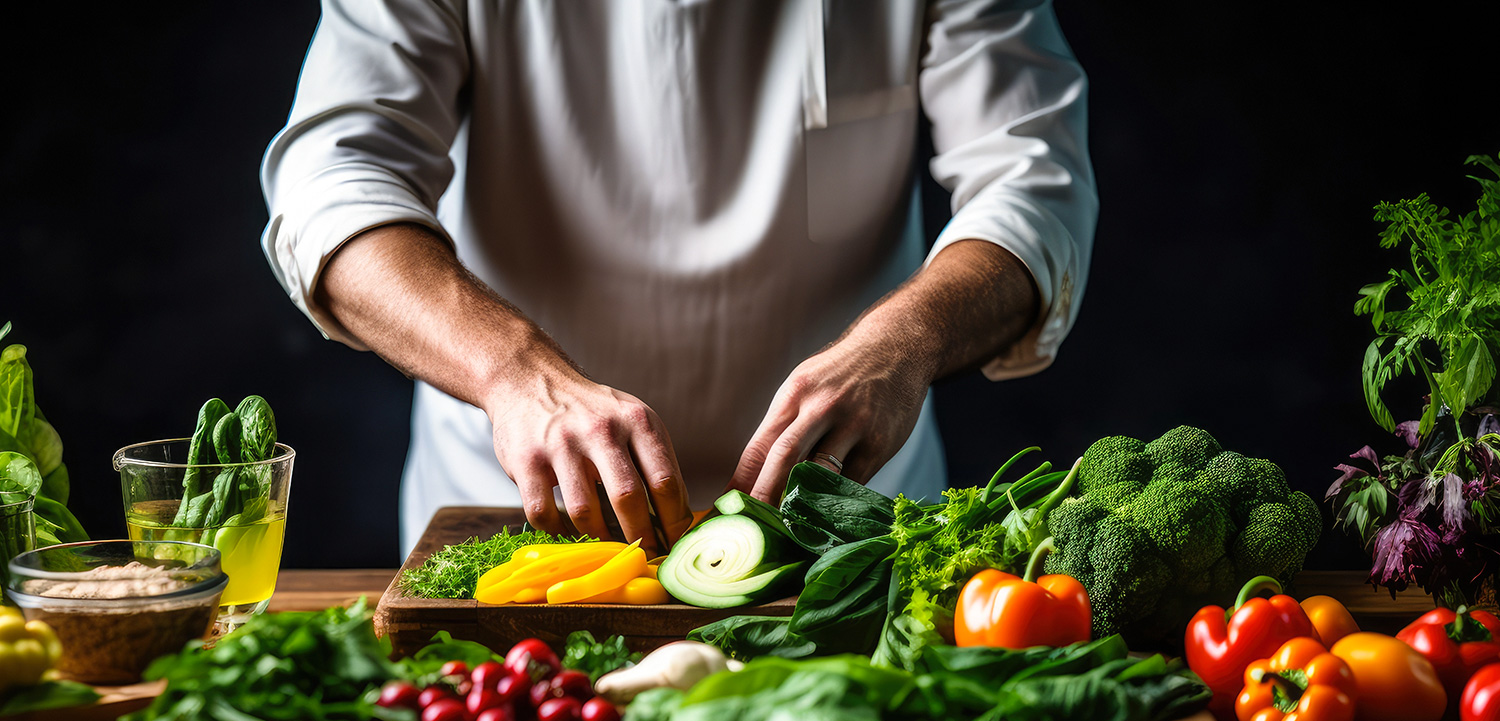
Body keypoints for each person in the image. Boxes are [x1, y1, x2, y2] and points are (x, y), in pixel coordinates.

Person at [260, 0, 1096, 560]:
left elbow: (1033, 180)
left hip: (850, 524)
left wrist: (902, 342)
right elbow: (331, 185)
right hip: (518, 522)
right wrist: (513, 374)